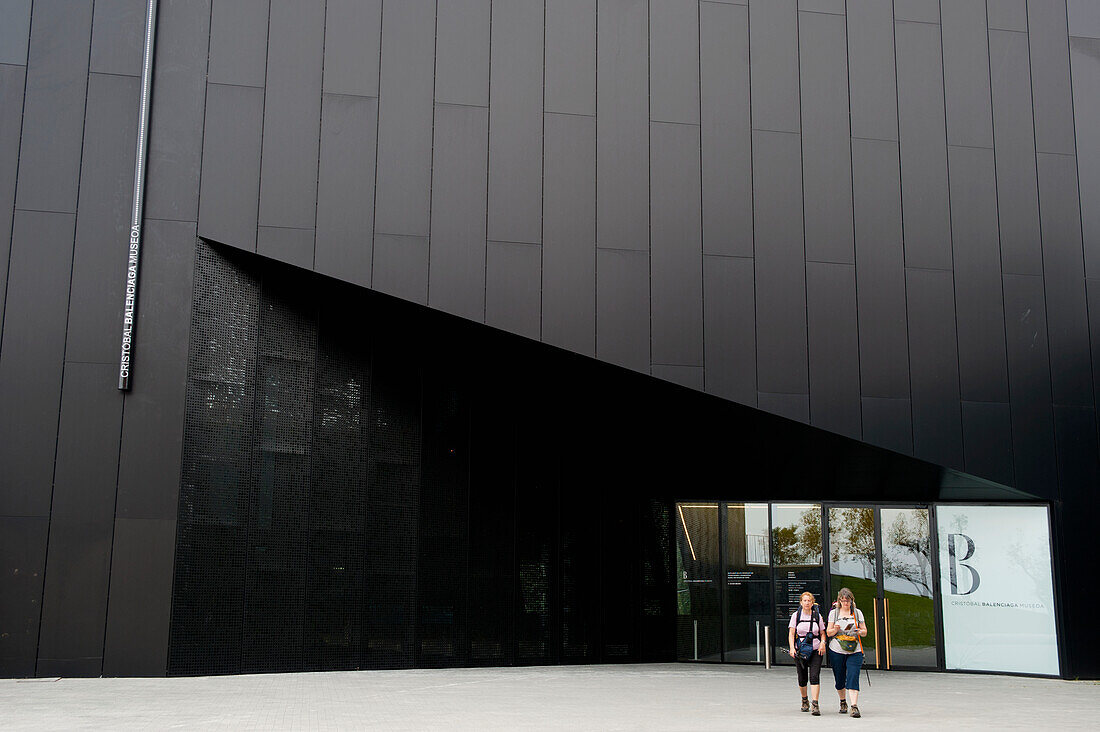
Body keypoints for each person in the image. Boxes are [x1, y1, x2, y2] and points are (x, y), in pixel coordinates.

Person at [826, 587, 867, 718]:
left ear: (851, 600)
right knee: (839, 678)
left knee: (853, 676)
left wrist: (860, 632)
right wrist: (836, 629)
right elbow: (828, 632)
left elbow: (865, 631)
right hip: (837, 649)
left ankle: (854, 706)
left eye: (848, 601)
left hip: (854, 649)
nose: (845, 603)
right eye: (843, 601)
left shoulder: (857, 612)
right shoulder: (834, 613)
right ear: (839, 601)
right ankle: (843, 701)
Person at [787, 591, 827, 715]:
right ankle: (805, 699)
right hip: (801, 649)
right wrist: (792, 648)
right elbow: (792, 633)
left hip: (815, 649)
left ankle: (815, 703)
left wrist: (822, 643)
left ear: (812, 602)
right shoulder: (796, 616)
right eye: (804, 601)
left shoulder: (817, 616)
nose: (807, 603)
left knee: (814, 675)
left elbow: (822, 633)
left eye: (809, 601)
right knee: (802, 677)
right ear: (801, 602)